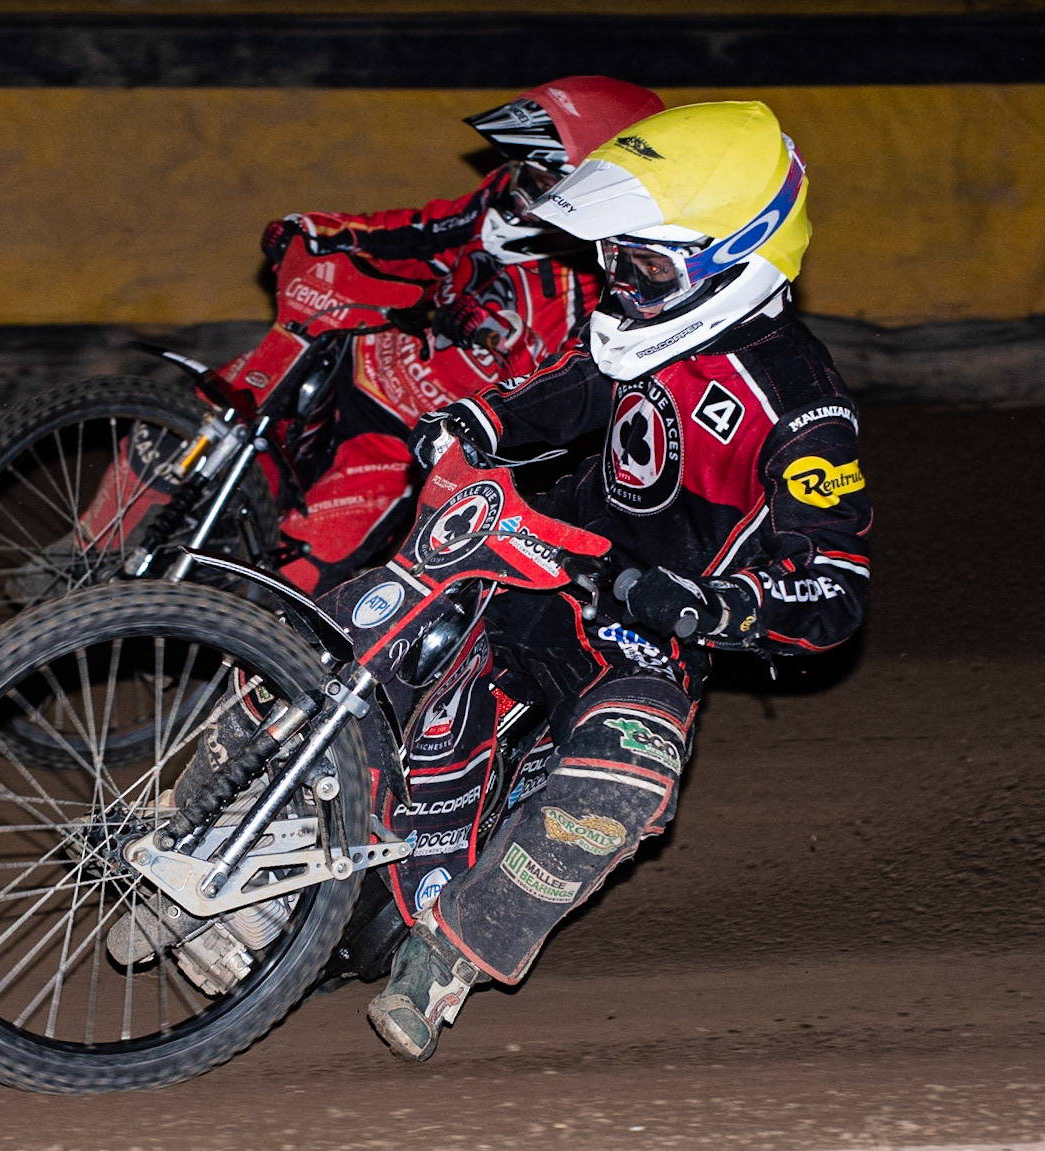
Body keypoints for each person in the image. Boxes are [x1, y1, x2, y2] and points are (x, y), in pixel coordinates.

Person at [366, 100, 872, 1061]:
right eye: (616, 261)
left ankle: (449, 956)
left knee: (631, 772)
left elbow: (837, 591)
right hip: (538, 557)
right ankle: (207, 828)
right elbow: (576, 391)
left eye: (643, 266)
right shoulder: (638, 335)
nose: (619, 285)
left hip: (648, 635)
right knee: (366, 619)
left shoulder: (805, 411)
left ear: (737, 257)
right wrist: (483, 424)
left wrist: (714, 605)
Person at [247, 77, 665, 594]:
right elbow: (419, 230)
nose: (516, 187)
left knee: (295, 572)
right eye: (522, 167)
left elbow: (540, 408)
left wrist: (489, 331)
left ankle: (242, 650)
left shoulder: (589, 295)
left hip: (403, 440)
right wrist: (318, 230)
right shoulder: (498, 196)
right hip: (352, 364)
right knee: (213, 425)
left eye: (538, 177)